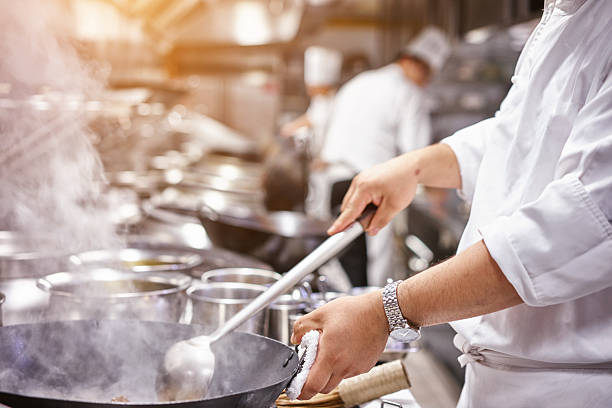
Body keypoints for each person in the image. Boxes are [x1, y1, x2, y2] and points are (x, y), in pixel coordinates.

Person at [291, 0, 612, 406]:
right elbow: (520, 138)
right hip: (497, 375)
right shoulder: (565, 16)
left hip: (566, 390)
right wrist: (417, 166)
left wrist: (384, 311)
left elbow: (579, 225)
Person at [318, 27, 451, 286]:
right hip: (371, 189)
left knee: (341, 267)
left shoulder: (361, 81)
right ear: (415, 64)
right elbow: (417, 155)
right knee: (370, 280)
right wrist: (437, 189)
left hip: (334, 184)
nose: (427, 81)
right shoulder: (409, 93)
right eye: (428, 74)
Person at [281, 45, 343, 159]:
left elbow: (336, 135)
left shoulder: (339, 101)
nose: (308, 90)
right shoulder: (320, 99)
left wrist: (325, 158)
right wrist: (290, 127)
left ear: (325, 85)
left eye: (312, 86)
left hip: (330, 162)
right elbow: (312, 117)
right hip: (317, 158)